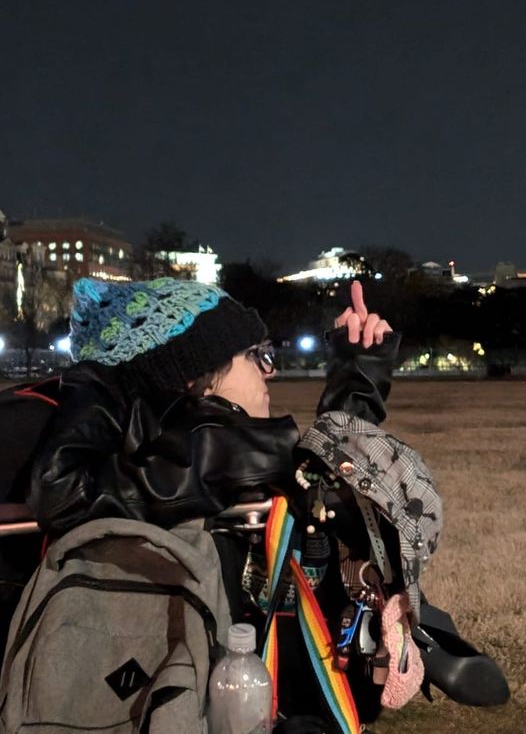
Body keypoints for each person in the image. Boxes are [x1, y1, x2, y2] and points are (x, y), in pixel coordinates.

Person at [26, 275, 401, 730]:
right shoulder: (197, 459)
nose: (271, 370)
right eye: (256, 355)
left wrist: (356, 377)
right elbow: (61, 489)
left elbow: (315, 480)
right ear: (195, 375)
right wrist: (227, 447)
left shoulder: (197, 460)